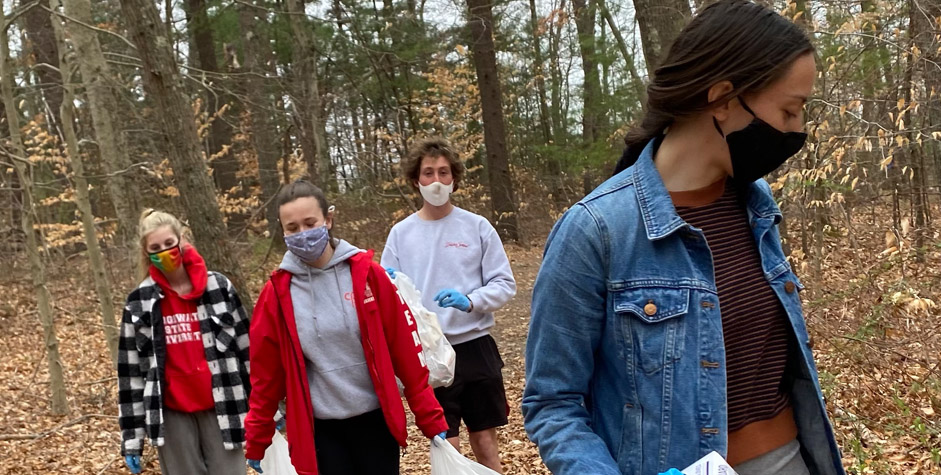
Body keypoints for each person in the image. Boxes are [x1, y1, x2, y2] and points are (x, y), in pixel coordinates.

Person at [521, 1, 844, 475]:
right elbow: (553, 401)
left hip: (790, 459)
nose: (798, 131)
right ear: (724, 98)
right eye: (790, 110)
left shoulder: (756, 205)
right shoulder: (596, 230)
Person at [244, 180, 448, 475]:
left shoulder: (368, 276)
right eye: (292, 228)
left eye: (309, 223)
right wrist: (257, 436)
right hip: (320, 429)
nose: (302, 234)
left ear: (328, 219)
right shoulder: (277, 294)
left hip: (375, 422)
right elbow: (265, 374)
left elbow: (403, 348)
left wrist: (429, 417)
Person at [381, 138, 517, 472]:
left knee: (485, 443)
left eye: (444, 172)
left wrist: (471, 301)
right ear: (417, 180)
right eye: (428, 173)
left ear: (454, 178)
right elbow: (386, 292)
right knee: (446, 446)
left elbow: (505, 284)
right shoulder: (401, 234)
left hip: (476, 347)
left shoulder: (477, 226)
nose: (437, 181)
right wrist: (390, 285)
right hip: (430, 356)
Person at [117, 209, 251, 475]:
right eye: (155, 248)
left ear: (181, 240)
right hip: (172, 414)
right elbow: (130, 376)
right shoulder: (138, 302)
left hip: (224, 403)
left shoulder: (219, 288)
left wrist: (270, 412)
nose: (165, 252)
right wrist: (132, 440)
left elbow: (248, 352)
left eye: (169, 244)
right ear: (147, 254)